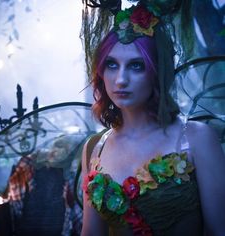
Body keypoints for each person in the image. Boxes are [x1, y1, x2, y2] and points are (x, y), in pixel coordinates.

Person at [80, 2, 225, 236]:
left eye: (136, 65)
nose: (120, 80)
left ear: (158, 71)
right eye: (111, 64)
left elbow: (219, 230)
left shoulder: (196, 138)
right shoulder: (94, 149)